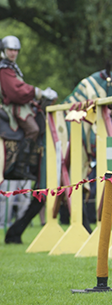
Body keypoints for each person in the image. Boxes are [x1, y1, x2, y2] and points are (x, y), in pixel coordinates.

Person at [1, 35, 57, 244]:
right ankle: (21, 165)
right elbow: (15, 91)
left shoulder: (12, 67)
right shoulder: (4, 69)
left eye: (16, 50)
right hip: (12, 107)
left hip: (21, 104)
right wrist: (38, 91)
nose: (13, 53)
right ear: (4, 50)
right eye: (10, 50)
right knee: (33, 129)